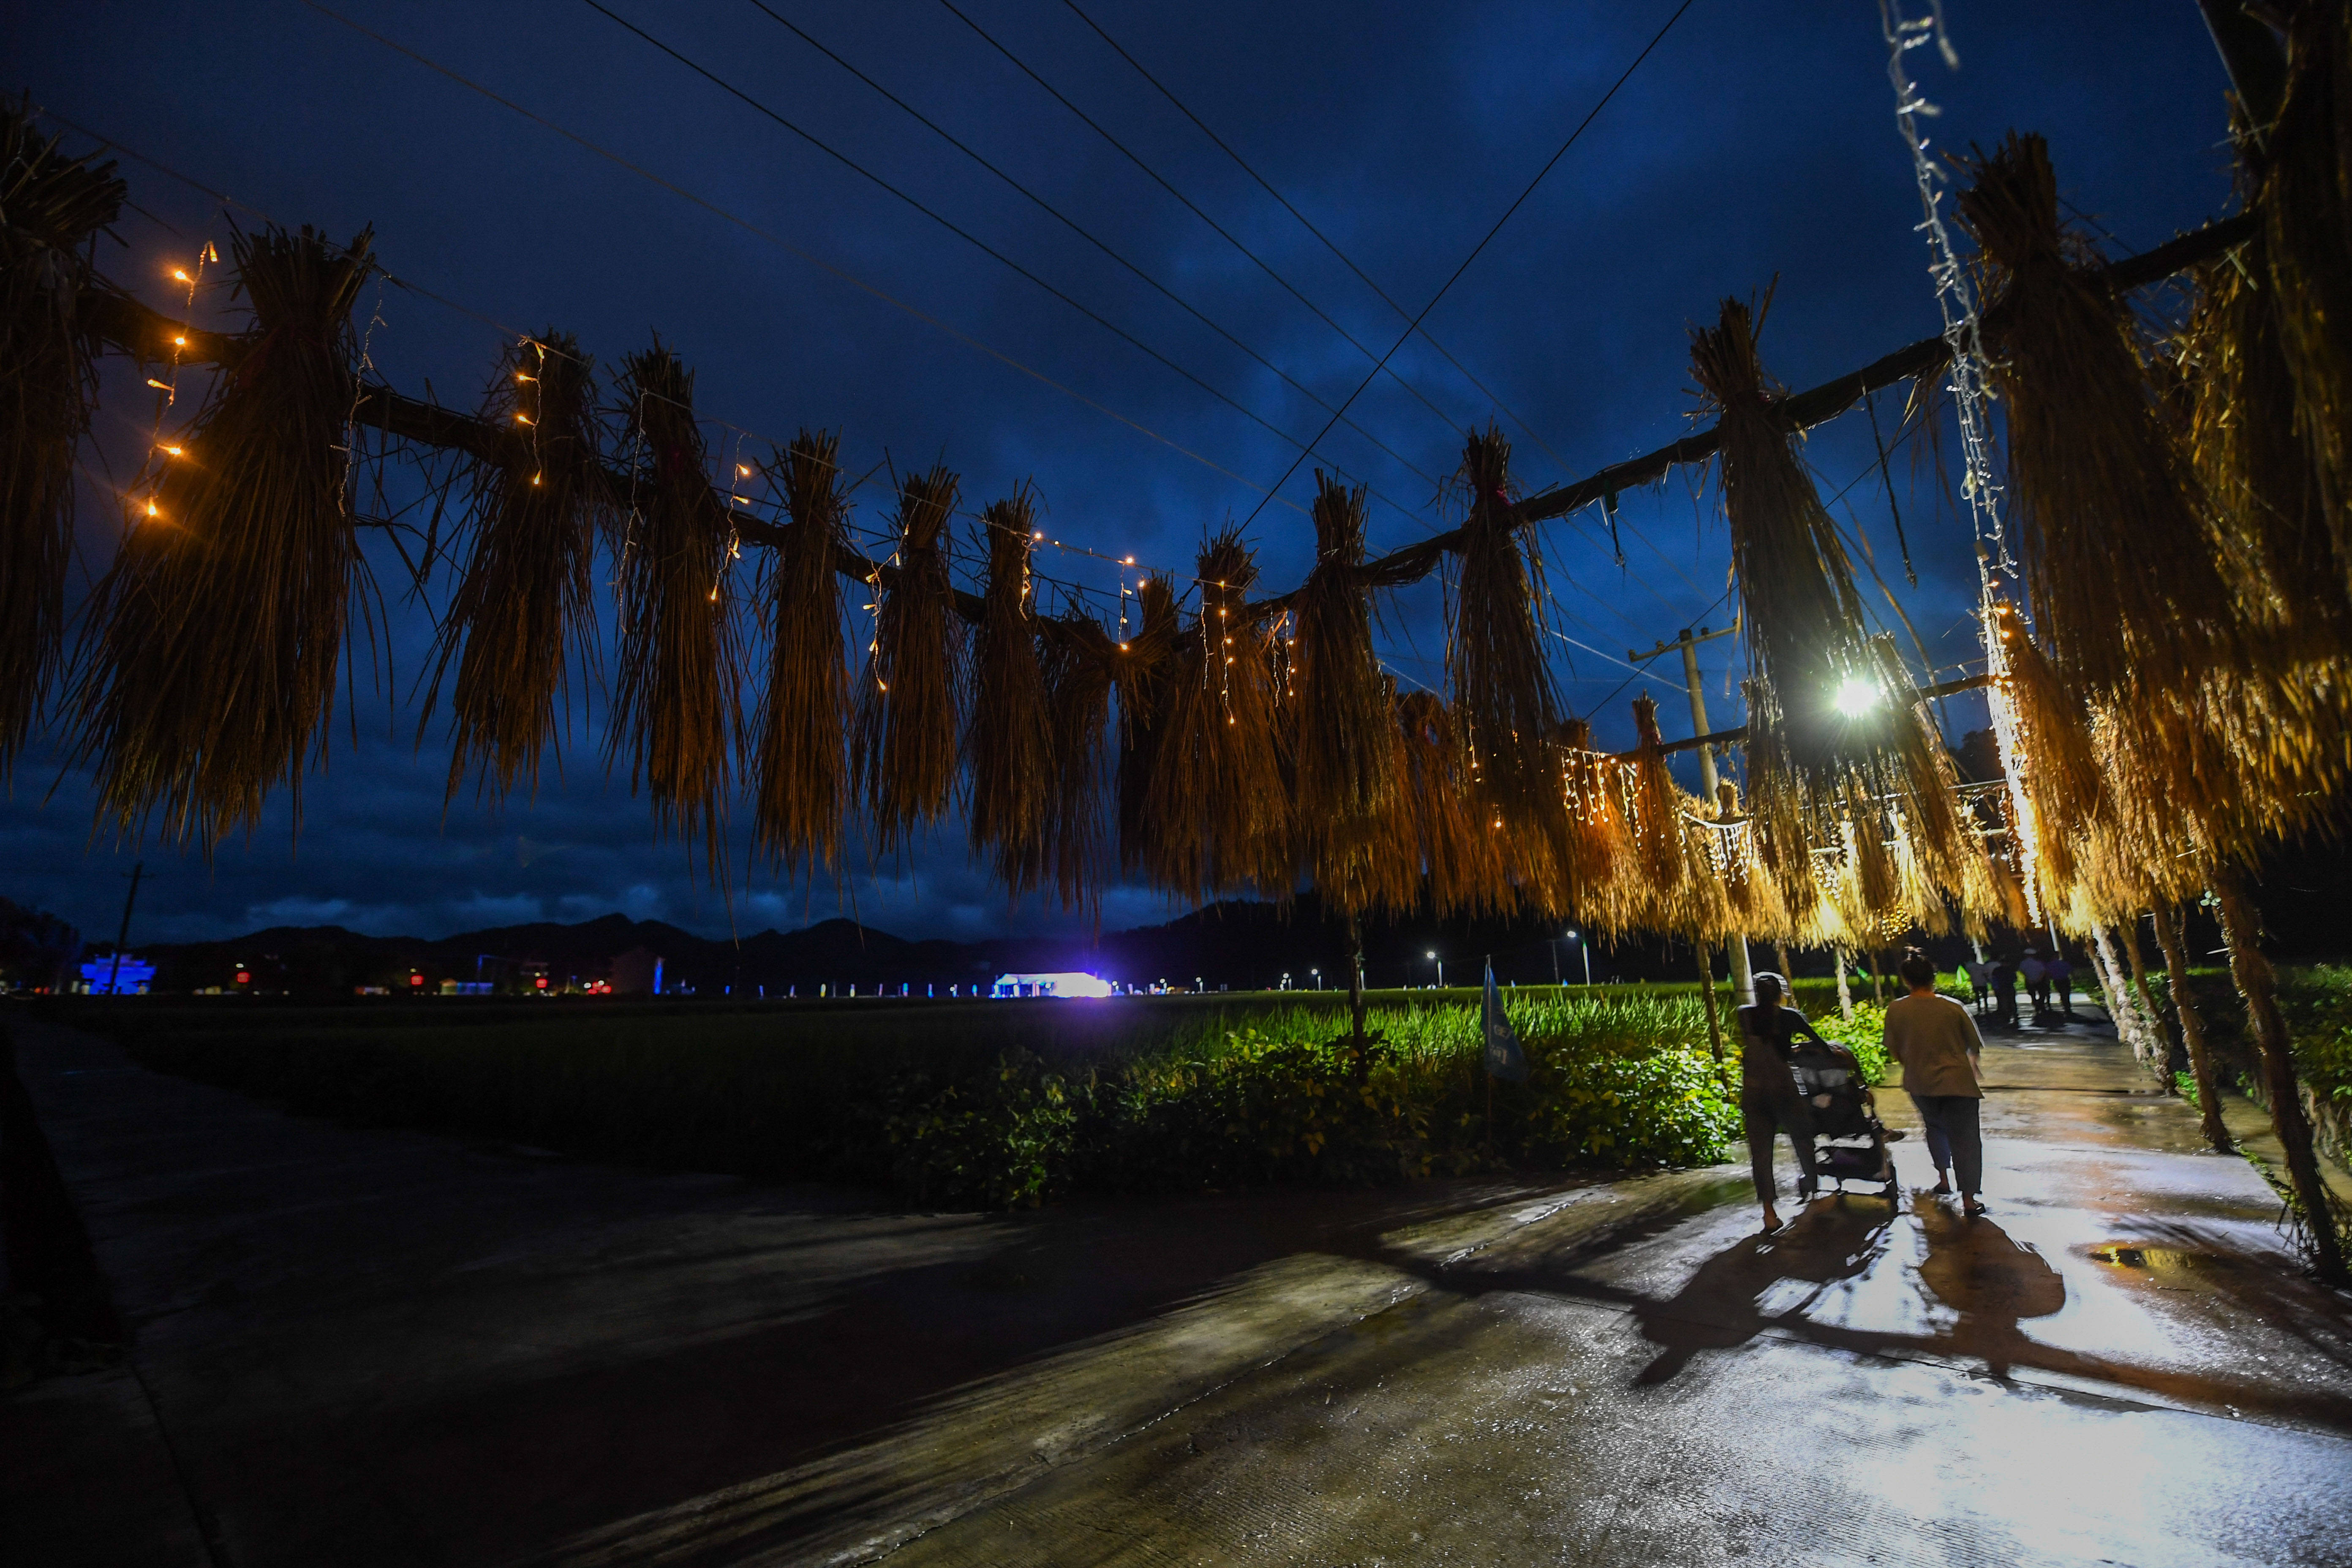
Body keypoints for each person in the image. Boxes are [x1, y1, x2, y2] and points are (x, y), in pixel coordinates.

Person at [1882, 950, 1987, 1217]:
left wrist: (1914, 1063)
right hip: (1958, 1084)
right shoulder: (1953, 1007)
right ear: (1933, 978)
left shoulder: (1896, 1009)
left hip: (1920, 1083)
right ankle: (1968, 1200)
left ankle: (1943, 1178)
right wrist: (1971, 1065)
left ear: (1907, 980)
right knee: (1966, 1139)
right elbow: (1973, 1045)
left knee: (1934, 1129)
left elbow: (1894, 1049)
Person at [1735, 972, 1821, 1233]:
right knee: (1803, 1139)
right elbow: (1818, 1044)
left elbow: (1760, 1038)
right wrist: (1800, 1049)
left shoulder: (1744, 1014)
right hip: (1784, 1089)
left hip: (1753, 1092)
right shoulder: (1789, 1016)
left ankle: (1769, 1214)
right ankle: (1813, 1188)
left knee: (1761, 1154)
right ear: (1780, 993)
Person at [2020, 949, 2050, 1024]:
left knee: (2032, 994)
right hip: (2039, 981)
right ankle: (2041, 1005)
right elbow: (2043, 972)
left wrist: (2028, 977)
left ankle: (2036, 1003)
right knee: (2042, 994)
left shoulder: (2023, 963)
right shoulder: (2039, 963)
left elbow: (2022, 971)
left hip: (2029, 980)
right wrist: (2039, 979)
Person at [2047, 950, 2074, 1019]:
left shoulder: (2050, 965)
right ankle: (2067, 1006)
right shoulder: (2064, 963)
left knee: (2062, 992)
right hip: (2065, 980)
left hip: (2057, 981)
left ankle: (2065, 1005)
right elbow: (2071, 970)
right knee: (2067, 993)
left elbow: (2048, 974)